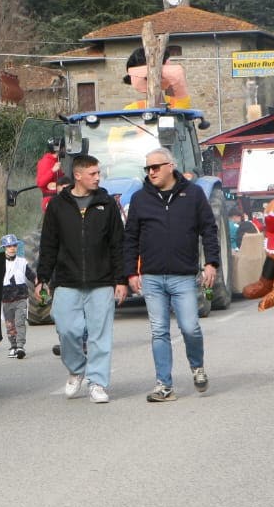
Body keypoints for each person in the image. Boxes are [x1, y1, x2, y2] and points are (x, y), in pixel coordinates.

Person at [123, 147, 219, 401]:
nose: (151, 172)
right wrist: (131, 272)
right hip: (152, 278)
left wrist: (212, 263)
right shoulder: (141, 199)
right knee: (159, 331)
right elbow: (130, 237)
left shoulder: (194, 194)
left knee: (190, 327)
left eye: (155, 167)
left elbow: (209, 230)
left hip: (183, 276)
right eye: (147, 168)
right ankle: (164, 385)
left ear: (170, 166)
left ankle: (197, 366)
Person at [37, 153, 128, 403]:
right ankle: (76, 369)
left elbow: (117, 244)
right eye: (93, 174)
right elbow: (49, 244)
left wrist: (121, 280)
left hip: (101, 281)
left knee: (100, 335)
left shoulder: (107, 204)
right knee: (67, 329)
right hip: (67, 280)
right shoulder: (57, 206)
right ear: (78, 175)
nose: (98, 178)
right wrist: (42, 277)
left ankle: (97, 382)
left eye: (98, 173)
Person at [0, 233, 35, 359]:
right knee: (10, 324)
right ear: (4, 248)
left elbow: (31, 275)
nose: (12, 248)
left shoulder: (22, 262)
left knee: (20, 322)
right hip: (6, 298)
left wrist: (39, 283)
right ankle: (13, 346)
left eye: (14, 245)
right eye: (9, 246)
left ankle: (20, 346)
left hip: (21, 296)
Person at [36, 138, 66, 210]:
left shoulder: (55, 161)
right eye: (64, 147)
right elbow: (40, 183)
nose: (65, 150)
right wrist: (52, 170)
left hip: (59, 199)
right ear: (58, 149)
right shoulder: (46, 162)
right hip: (51, 201)